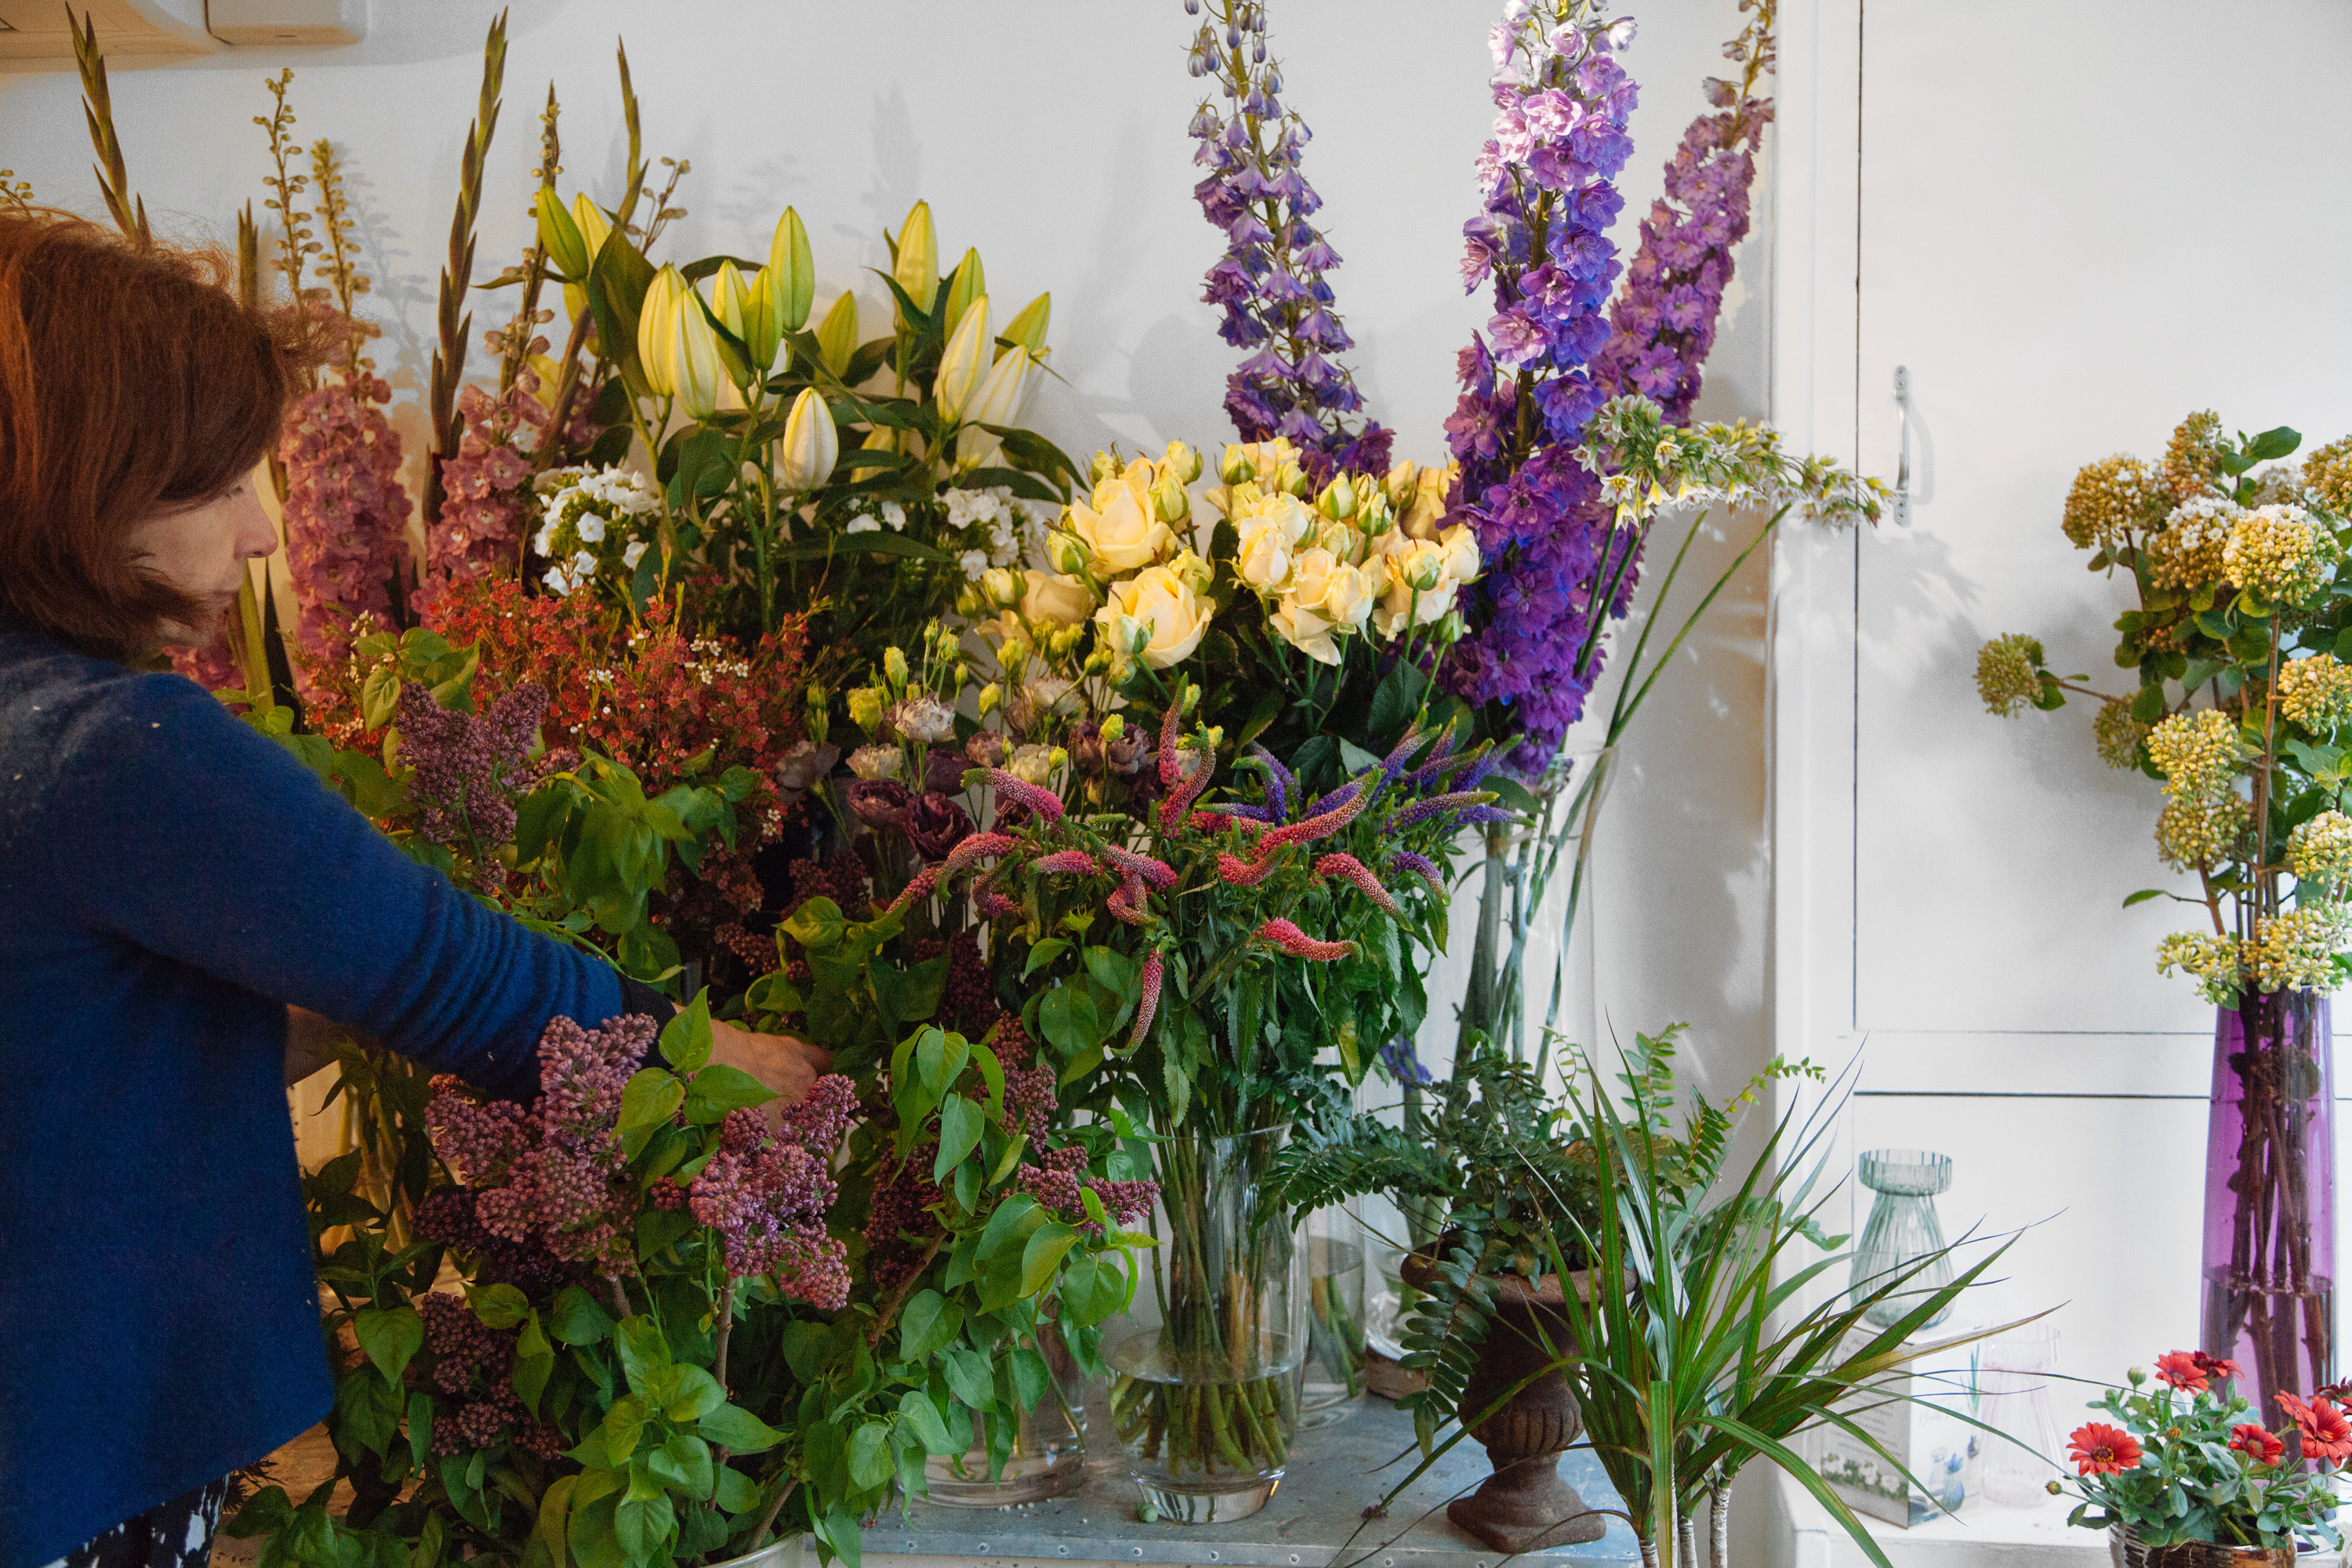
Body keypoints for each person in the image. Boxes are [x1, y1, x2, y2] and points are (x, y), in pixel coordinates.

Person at [0, 215, 830, 1568]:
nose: (266, 534)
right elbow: (453, 973)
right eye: (217, 486)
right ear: (93, 487)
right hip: (59, 1454)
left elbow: (69, 1037)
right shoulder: (112, 753)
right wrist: (731, 1064)